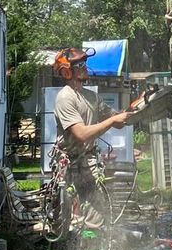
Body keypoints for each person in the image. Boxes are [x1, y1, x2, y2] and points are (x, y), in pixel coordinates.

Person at [52, 47, 129, 230]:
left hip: (88, 160)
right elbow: (81, 134)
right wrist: (112, 120)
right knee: (65, 214)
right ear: (66, 71)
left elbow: (118, 119)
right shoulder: (65, 98)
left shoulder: (91, 96)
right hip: (69, 163)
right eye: (79, 64)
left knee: (96, 209)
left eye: (85, 63)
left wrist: (140, 106)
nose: (85, 67)